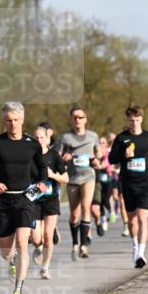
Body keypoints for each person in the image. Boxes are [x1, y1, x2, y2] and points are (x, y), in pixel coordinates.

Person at [0, 102, 48, 294]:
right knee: (6, 252)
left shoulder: (31, 144)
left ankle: (18, 291)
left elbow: (42, 169)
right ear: (3, 121)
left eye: (16, 120)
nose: (12, 124)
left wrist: (42, 183)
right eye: (8, 120)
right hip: (4, 199)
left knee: (22, 242)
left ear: (22, 120)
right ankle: (11, 260)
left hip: (26, 198)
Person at [108, 105, 148, 267]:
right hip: (128, 183)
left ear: (141, 119)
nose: (134, 123)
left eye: (137, 120)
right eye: (131, 121)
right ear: (128, 121)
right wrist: (123, 154)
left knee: (143, 217)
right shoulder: (121, 138)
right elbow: (111, 159)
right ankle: (135, 245)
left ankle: (141, 254)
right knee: (132, 220)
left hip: (146, 183)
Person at [58, 107, 101, 259]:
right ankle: (75, 243)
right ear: (72, 119)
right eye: (75, 117)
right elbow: (58, 157)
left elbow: (99, 153)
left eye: (80, 117)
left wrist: (96, 159)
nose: (78, 120)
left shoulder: (93, 136)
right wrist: (64, 158)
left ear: (85, 119)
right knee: (74, 214)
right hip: (72, 178)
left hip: (88, 176)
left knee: (86, 207)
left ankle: (83, 245)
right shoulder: (66, 138)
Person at [31, 125, 68, 279]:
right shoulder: (29, 157)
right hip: (34, 200)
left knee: (47, 236)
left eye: (42, 137)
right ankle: (38, 247)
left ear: (48, 139)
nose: (39, 140)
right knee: (36, 239)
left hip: (51, 200)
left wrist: (53, 175)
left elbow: (66, 179)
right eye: (37, 138)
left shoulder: (54, 156)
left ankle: (45, 267)